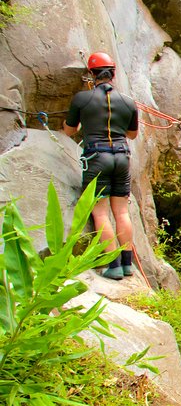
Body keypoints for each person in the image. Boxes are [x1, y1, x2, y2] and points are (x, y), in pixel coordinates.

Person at [63, 51, 139, 280]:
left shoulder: (81, 99)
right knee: (122, 211)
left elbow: (69, 130)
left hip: (97, 158)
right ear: (113, 74)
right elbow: (132, 135)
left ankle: (112, 264)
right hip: (122, 157)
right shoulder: (128, 102)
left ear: (91, 74)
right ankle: (127, 264)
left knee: (100, 212)